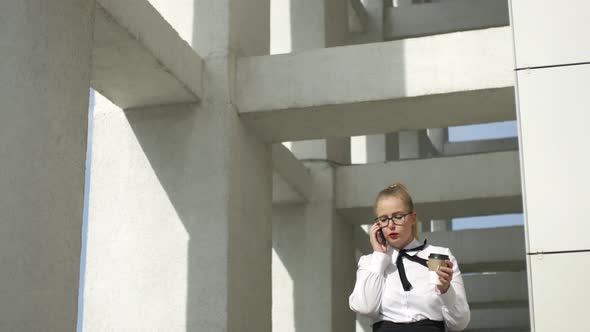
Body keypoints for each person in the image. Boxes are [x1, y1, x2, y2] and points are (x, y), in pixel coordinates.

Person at [349, 183, 470, 332]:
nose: (391, 225)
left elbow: (460, 323)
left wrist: (446, 291)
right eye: (383, 219)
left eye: (398, 216)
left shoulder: (437, 256)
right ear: (377, 225)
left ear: (413, 218)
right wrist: (380, 257)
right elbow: (364, 307)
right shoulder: (370, 262)